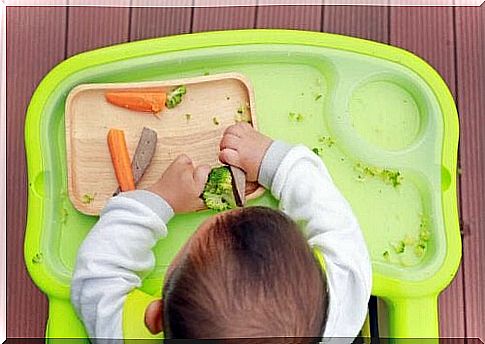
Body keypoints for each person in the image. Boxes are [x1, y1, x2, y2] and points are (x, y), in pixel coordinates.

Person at [71, 122, 372, 342]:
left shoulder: (128, 335)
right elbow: (335, 222)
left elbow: (98, 275)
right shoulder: (341, 304)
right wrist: (272, 161)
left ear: (155, 317)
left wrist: (160, 200)